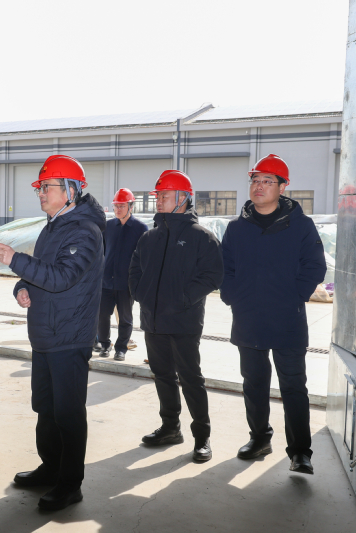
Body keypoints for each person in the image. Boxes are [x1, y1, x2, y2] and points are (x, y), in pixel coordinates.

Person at [0, 154, 105, 512]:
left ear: (71, 190)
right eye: (39, 188)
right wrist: (22, 286)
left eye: (47, 187)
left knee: (68, 413)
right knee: (45, 407)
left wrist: (14, 260)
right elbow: (43, 272)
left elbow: (62, 277)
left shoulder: (85, 231)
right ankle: (50, 468)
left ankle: (70, 484)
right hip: (46, 333)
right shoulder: (52, 228)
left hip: (69, 336)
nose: (41, 193)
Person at [219, 154, 326, 475]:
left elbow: (315, 266)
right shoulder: (237, 228)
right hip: (248, 318)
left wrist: (294, 296)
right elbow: (225, 268)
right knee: (253, 383)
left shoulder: (301, 226)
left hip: (287, 319)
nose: (259, 186)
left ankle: (300, 452)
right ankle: (259, 438)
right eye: (255, 180)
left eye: (267, 181)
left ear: (282, 187)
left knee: (293, 386)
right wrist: (232, 296)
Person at [128, 170, 223, 463]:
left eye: (165, 196)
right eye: (158, 196)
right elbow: (135, 270)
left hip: (184, 321)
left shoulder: (201, 237)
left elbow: (213, 275)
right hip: (153, 321)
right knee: (162, 375)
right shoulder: (149, 237)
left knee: (190, 378)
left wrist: (182, 299)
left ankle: (202, 436)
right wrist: (142, 295)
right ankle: (170, 427)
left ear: (183, 198)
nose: (158, 201)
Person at [94, 188, 148, 361]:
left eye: (122, 206)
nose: (118, 209)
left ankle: (121, 348)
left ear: (131, 206)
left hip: (126, 282)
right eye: (116, 206)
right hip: (106, 281)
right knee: (102, 315)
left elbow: (144, 257)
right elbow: (100, 251)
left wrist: (139, 281)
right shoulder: (108, 227)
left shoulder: (140, 229)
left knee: (125, 318)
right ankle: (104, 345)